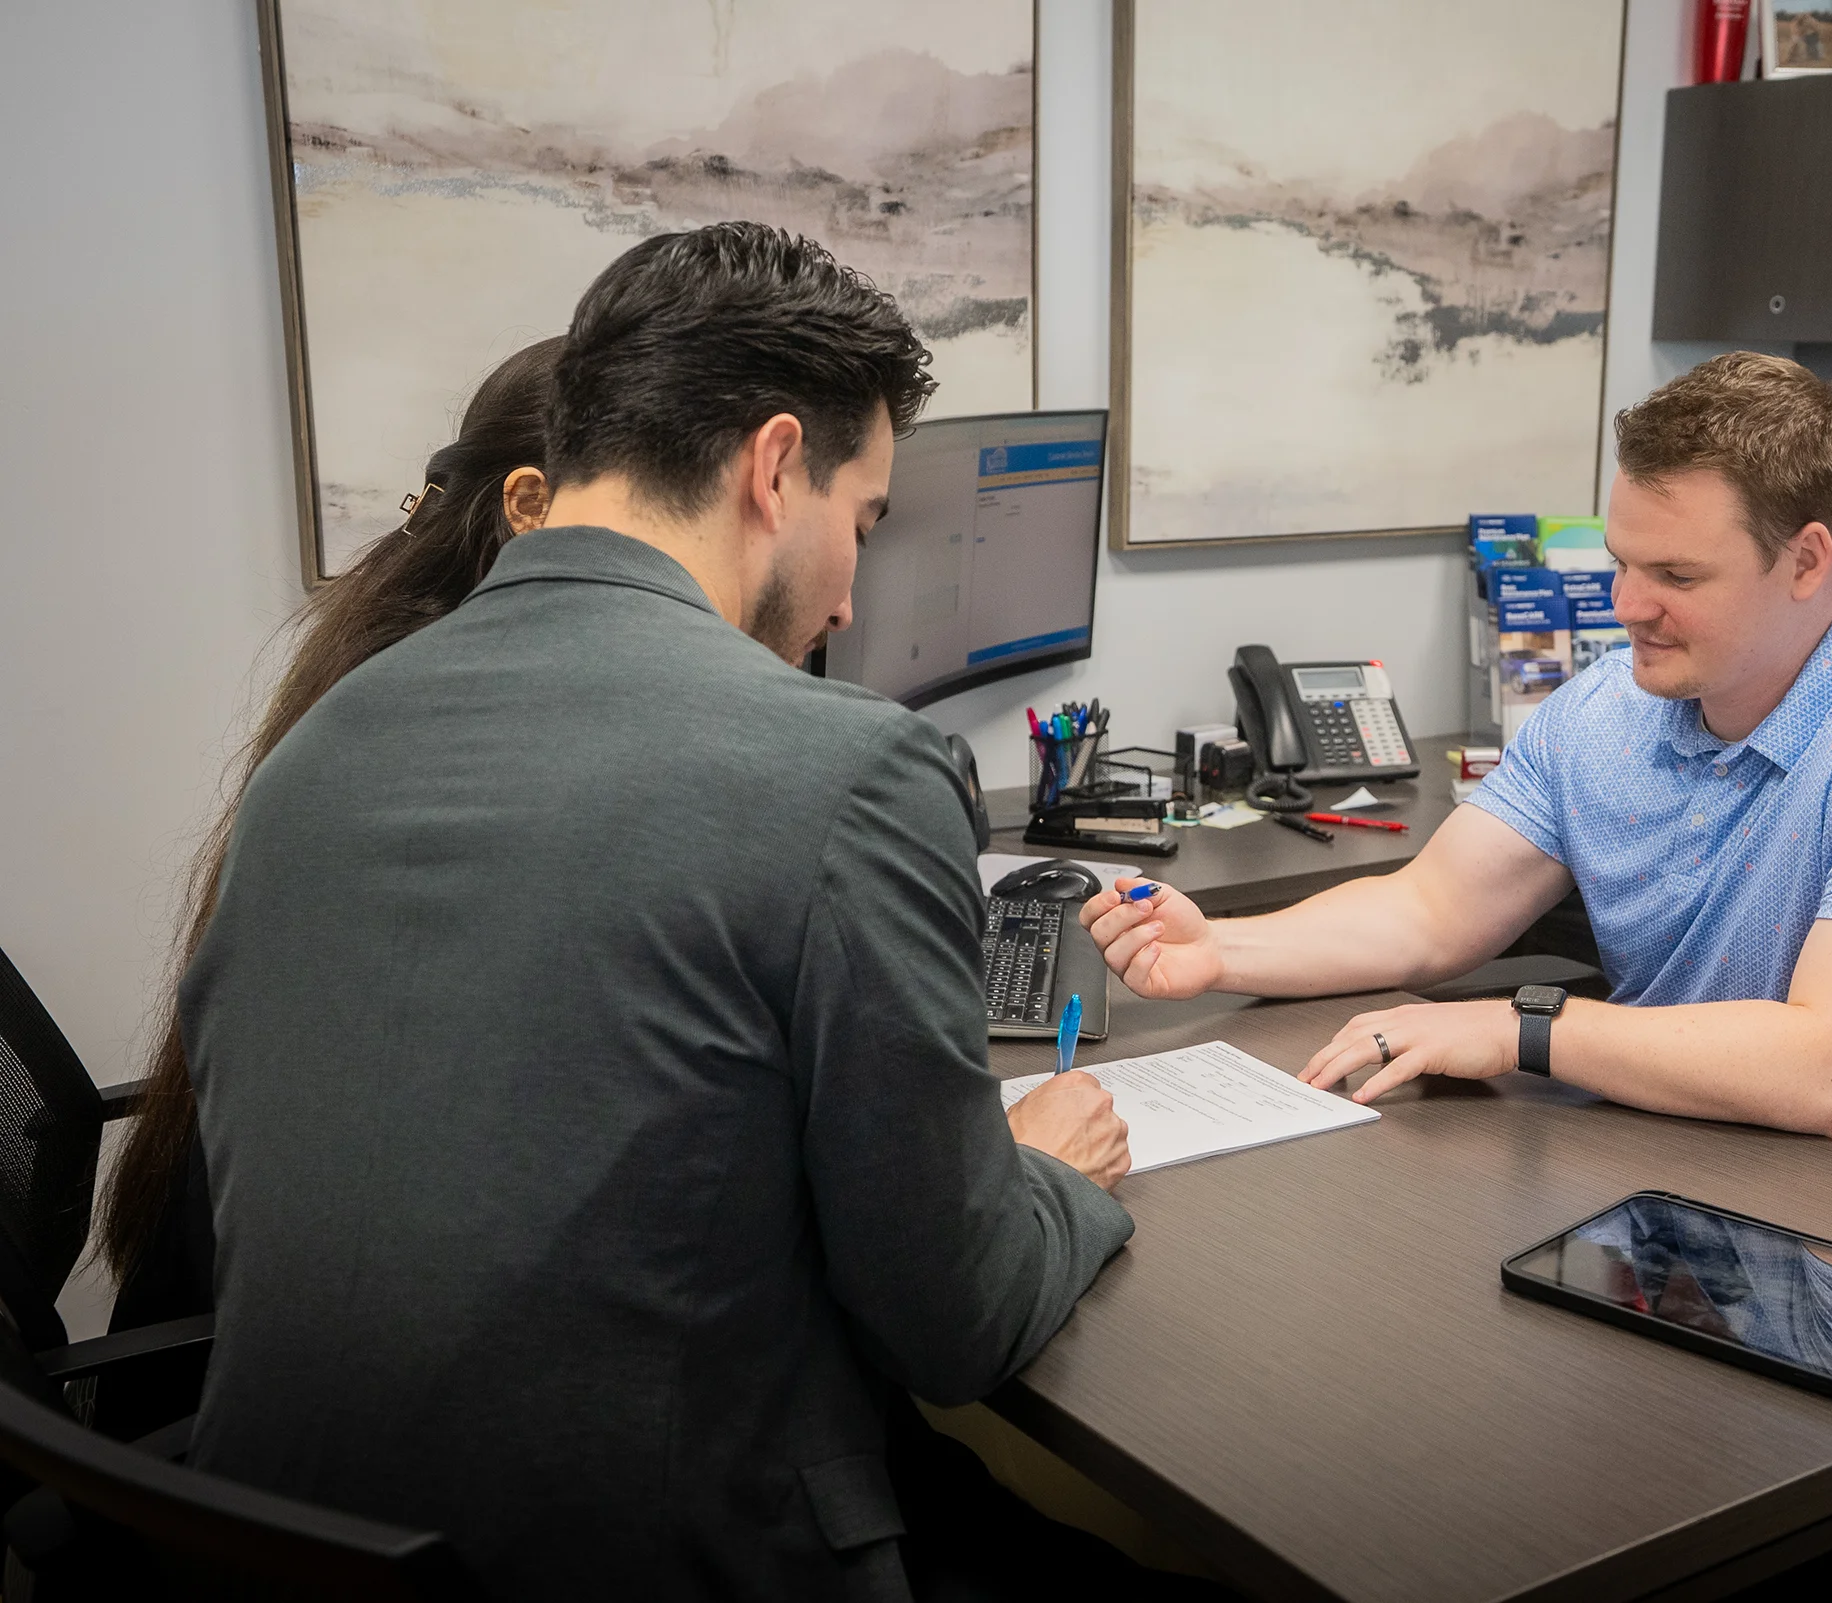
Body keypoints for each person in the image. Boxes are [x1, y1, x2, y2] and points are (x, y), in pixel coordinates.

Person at [180, 224, 1156, 1602]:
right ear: (772, 468)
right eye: (862, 520)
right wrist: (1050, 1170)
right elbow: (963, 1320)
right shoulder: (852, 769)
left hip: (270, 1549)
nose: (852, 592)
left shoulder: (320, 740)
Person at [1083, 353, 1832, 1169]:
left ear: (1806, 562)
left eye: (1676, 576)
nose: (1628, 605)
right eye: (1622, 561)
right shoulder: (1609, 706)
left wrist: (1523, 1026)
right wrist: (1219, 948)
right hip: (1688, 1161)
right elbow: (1431, 909)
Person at [91, 337, 563, 1435]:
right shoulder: (454, 734)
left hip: (271, 1304)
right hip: (308, 1409)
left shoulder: (393, 655)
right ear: (527, 506)